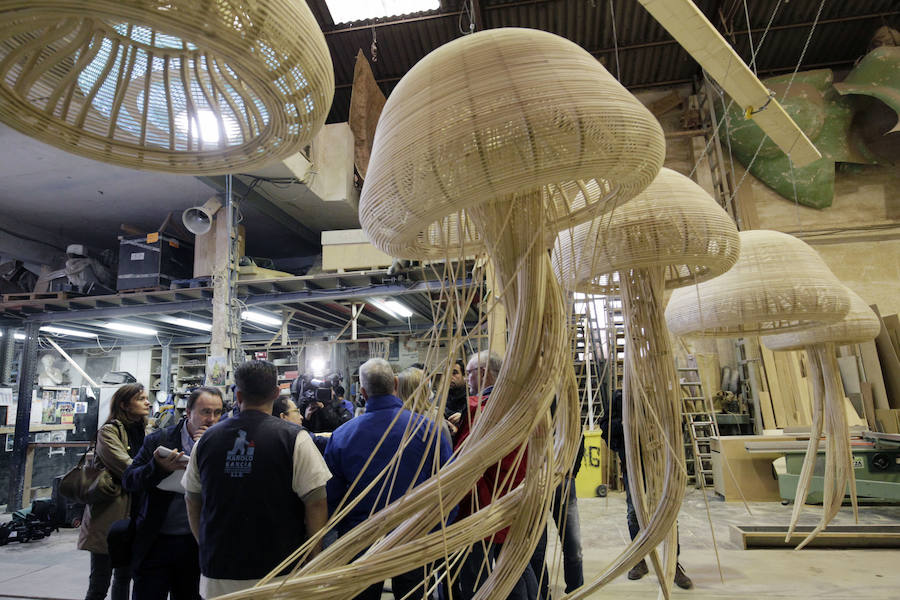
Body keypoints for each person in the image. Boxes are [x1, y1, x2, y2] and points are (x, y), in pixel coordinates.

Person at [182, 360, 331, 597]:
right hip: (280, 572)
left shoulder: (206, 441)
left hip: (218, 573)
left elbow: (192, 500)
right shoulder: (296, 439)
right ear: (276, 392)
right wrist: (314, 558)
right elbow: (316, 502)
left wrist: (207, 545)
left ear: (238, 394)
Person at [324, 358, 453, 600]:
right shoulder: (427, 429)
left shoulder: (342, 436)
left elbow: (332, 496)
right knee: (413, 594)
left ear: (362, 392)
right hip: (413, 533)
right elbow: (447, 485)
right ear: (396, 383)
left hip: (360, 537)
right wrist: (436, 529)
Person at [121, 387, 224, 600]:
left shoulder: (221, 444)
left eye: (218, 412)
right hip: (156, 540)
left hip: (196, 543)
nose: (212, 419)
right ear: (188, 412)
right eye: (205, 412)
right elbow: (129, 480)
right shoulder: (160, 440)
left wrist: (206, 452)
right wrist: (158, 468)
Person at [456, 351, 537, 600]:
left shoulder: (480, 411)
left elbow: (465, 462)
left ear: (483, 373)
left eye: (469, 373)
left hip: (484, 506)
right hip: (515, 498)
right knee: (514, 569)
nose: (468, 379)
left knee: (478, 577)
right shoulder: (523, 406)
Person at [601, 390, 692, 590]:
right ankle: (639, 560)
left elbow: (679, 427)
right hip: (634, 469)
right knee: (635, 514)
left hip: (661, 468)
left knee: (668, 514)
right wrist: (626, 426)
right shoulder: (620, 397)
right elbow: (605, 427)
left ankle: (672, 564)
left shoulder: (662, 394)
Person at [78, 383, 149, 600]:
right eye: (141, 398)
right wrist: (157, 468)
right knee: (100, 582)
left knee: (124, 577)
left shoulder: (143, 431)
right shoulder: (109, 431)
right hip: (109, 514)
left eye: (147, 398)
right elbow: (127, 467)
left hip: (134, 513)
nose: (148, 402)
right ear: (124, 404)